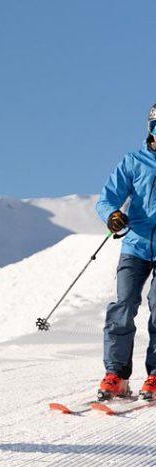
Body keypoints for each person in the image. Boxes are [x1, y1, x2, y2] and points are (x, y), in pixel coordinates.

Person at [95, 102, 156, 402]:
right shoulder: (134, 162)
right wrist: (112, 215)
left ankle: (155, 375)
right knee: (124, 305)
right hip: (136, 244)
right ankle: (117, 375)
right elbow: (106, 198)